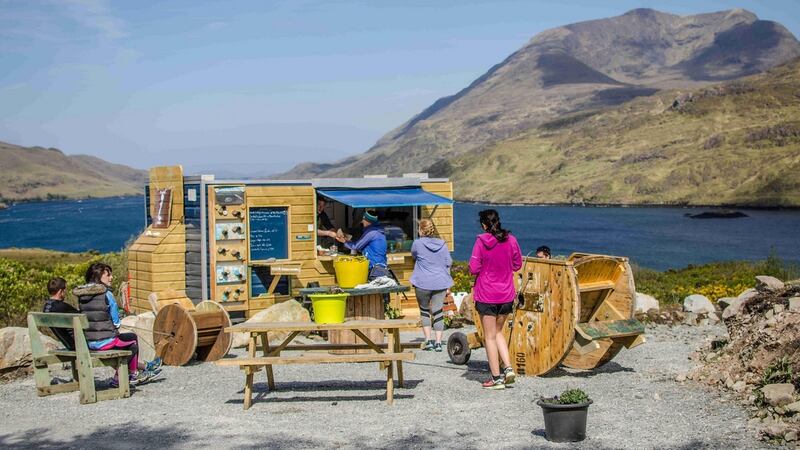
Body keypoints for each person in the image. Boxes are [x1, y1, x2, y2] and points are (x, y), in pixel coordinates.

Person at [75, 263, 162, 387]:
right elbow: (116, 323)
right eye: (108, 275)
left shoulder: (81, 295)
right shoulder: (107, 294)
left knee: (127, 341)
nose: (111, 278)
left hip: (89, 342)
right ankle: (131, 375)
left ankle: (130, 373)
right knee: (132, 340)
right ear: (98, 276)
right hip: (105, 341)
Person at [469, 209, 522, 390]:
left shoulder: (481, 241)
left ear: (484, 225)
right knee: (499, 332)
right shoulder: (511, 240)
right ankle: (508, 368)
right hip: (506, 294)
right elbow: (517, 264)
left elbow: (473, 268)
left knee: (489, 337)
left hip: (487, 294)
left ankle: (496, 378)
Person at [410, 219, 453, 352]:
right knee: (438, 311)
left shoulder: (417, 243)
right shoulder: (442, 244)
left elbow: (414, 256)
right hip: (440, 282)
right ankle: (438, 343)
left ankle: (428, 341)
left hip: (422, 282)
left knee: (424, 311)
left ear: (421, 230)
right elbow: (448, 262)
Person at [336, 210, 388, 280]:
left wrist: (344, 241)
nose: (362, 222)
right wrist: (348, 239)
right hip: (379, 267)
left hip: (375, 269)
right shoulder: (377, 231)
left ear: (367, 221)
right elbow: (363, 246)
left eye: (363, 220)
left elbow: (356, 246)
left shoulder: (371, 232)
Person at [44, 277, 79, 350]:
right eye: (65, 289)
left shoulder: (46, 308)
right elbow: (82, 316)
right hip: (77, 345)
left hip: (67, 344)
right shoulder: (62, 307)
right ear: (61, 291)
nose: (66, 292)